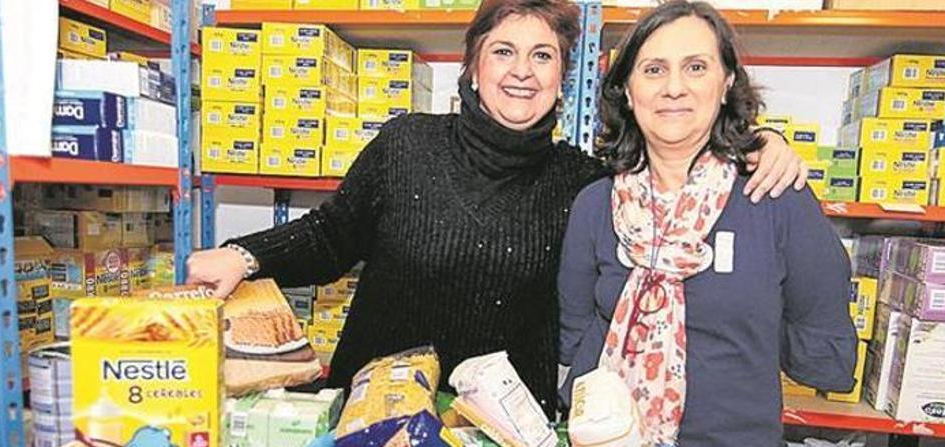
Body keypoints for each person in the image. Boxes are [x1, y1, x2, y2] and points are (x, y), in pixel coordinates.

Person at [187, 0, 808, 412]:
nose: (523, 71)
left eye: (543, 56)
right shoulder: (407, 145)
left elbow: (679, 172)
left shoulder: (587, 183)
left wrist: (759, 146)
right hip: (374, 415)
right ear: (474, 66)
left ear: (565, 77)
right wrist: (242, 256)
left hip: (502, 436)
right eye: (504, 51)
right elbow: (331, 237)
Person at [558, 0, 857, 447]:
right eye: (653, 69)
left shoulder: (773, 195)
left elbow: (820, 321)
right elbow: (574, 330)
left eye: (696, 68)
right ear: (626, 89)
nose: (673, 88)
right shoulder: (594, 204)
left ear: (726, 84)